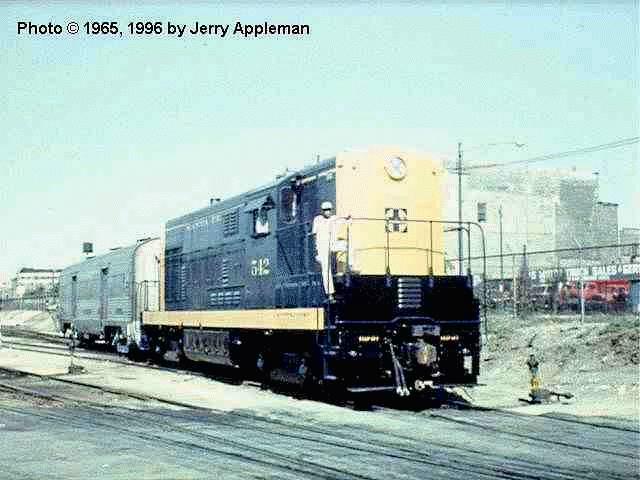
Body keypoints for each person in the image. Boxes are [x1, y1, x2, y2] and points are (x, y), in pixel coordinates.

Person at [312, 201, 338, 298]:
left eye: (329, 210)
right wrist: (316, 251)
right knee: (326, 269)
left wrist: (348, 217)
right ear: (322, 211)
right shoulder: (317, 219)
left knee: (348, 245)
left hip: (333, 245)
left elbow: (345, 219)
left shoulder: (334, 218)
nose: (327, 211)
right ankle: (330, 294)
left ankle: (351, 267)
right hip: (322, 247)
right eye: (325, 210)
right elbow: (314, 235)